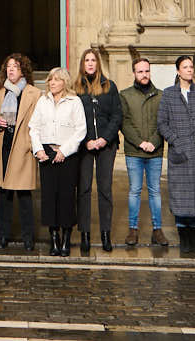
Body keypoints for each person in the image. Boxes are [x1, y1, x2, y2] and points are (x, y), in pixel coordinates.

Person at [159, 55, 195, 256]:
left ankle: (194, 238)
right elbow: (162, 123)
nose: (189, 70)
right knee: (180, 198)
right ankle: (184, 238)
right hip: (179, 154)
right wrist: (176, 141)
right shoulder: (168, 94)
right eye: (185, 67)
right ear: (178, 71)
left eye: (191, 67)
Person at [30, 66, 88, 257]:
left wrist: (64, 151)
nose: (52, 83)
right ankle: (53, 239)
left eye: (56, 79)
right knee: (49, 197)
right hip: (45, 152)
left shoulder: (74, 102)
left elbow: (81, 130)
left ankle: (66, 239)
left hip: (67, 153)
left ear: (64, 82)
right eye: (50, 80)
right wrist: (38, 149)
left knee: (66, 196)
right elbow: (34, 128)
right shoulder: (42, 101)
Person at [0, 53, 43, 251]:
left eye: (15, 66)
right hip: (3, 145)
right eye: (8, 66)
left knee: (24, 196)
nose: (11, 69)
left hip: (22, 147)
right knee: (4, 194)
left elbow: (37, 122)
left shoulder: (34, 93)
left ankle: (28, 238)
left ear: (23, 70)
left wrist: (30, 144)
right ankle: (3, 235)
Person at [73, 48, 121, 254]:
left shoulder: (109, 87)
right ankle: (84, 234)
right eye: (87, 60)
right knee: (83, 189)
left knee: (105, 189)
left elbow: (117, 116)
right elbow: (72, 119)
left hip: (105, 145)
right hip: (84, 146)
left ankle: (105, 234)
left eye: (93, 60)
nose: (90, 64)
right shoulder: (75, 88)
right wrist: (85, 141)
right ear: (83, 64)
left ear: (98, 63)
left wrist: (103, 139)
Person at [119, 58, 166, 248]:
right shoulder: (125, 95)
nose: (144, 75)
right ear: (134, 73)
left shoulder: (161, 95)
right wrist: (140, 143)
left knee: (155, 191)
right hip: (134, 152)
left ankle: (158, 230)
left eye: (146, 71)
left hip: (155, 152)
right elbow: (125, 123)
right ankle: (133, 229)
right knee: (134, 191)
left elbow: (163, 121)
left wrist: (153, 142)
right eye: (140, 72)